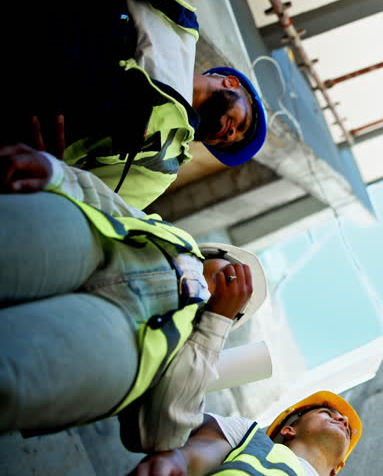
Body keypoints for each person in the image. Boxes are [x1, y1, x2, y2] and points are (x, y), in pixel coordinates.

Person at [0, 143, 268, 452]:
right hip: (102, 248)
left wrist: (215, 323)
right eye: (238, 269)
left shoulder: (198, 348)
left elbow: (160, 436)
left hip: (125, 333)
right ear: (214, 254)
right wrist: (57, 173)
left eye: (241, 299)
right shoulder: (176, 240)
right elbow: (112, 205)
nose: (240, 282)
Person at [2, 0, 268, 209]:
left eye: (228, 143)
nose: (231, 134)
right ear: (231, 82)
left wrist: (54, 173)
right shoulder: (181, 26)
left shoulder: (162, 167)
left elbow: (101, 209)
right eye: (242, 123)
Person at [129, 391, 363, 476]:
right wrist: (176, 460)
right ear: (289, 429)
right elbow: (195, 456)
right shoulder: (249, 436)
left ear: (335, 470)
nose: (341, 419)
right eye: (327, 413)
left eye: (343, 422)